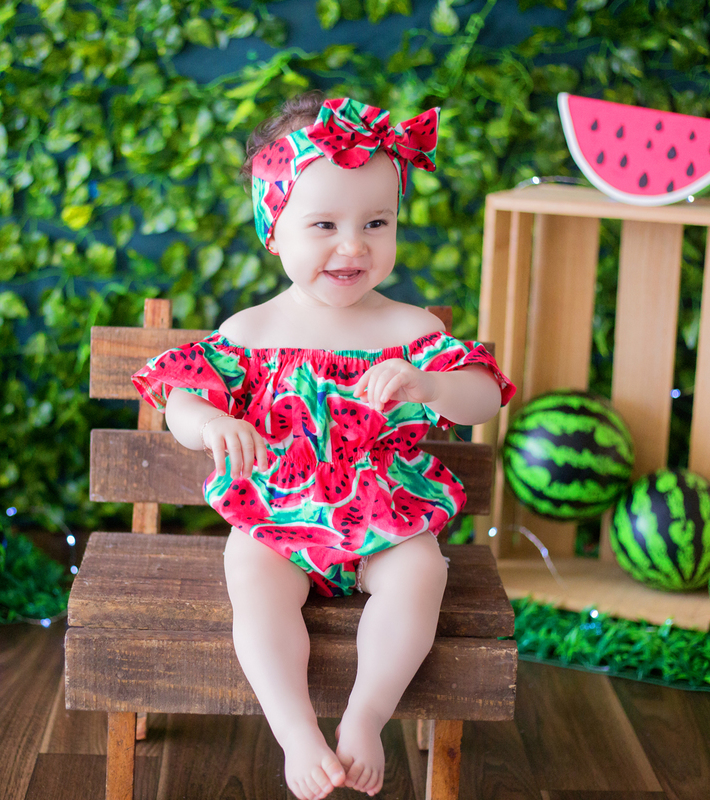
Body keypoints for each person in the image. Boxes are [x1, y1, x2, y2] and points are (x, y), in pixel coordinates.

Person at [131, 92, 516, 800]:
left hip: (383, 512)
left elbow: (487, 395)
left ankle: (367, 716)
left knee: (421, 573)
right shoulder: (251, 330)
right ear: (272, 229)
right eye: (325, 224)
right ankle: (295, 729)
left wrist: (429, 384)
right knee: (250, 572)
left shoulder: (410, 326)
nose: (354, 246)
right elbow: (181, 392)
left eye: (377, 222)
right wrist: (211, 424)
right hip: (280, 510)